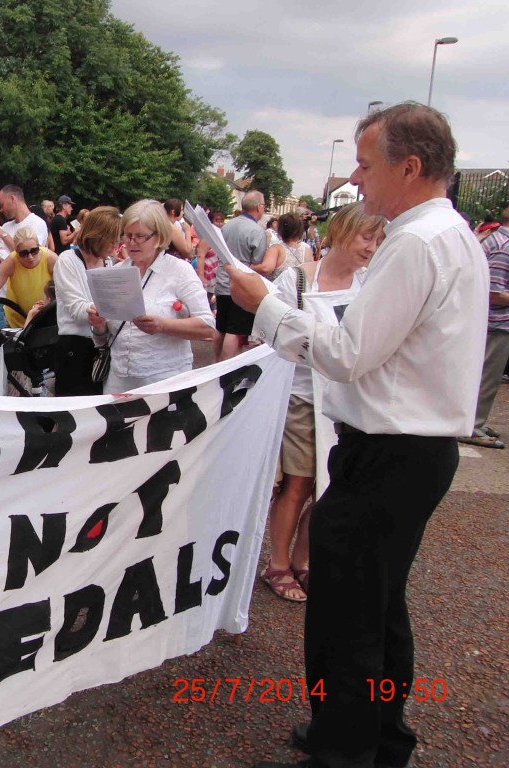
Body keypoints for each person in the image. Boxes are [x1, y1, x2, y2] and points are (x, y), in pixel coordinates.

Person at [230, 103, 488, 768]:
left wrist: (268, 308)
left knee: (349, 614)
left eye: (366, 163)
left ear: (410, 167)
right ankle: (379, 736)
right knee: (377, 607)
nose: (355, 175)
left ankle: (345, 748)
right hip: (409, 450)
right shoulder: (448, 234)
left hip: (389, 451)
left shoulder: (417, 241)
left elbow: (347, 353)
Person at [260, 203, 385, 603]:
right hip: (302, 399)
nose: (372, 246)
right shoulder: (296, 281)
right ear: (343, 232)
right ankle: (277, 564)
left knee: (329, 487)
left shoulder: (372, 283)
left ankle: (304, 560)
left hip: (349, 402)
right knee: (297, 483)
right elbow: (268, 336)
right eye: (367, 237)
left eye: (378, 239)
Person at [87, 200, 214, 393]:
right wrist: (98, 324)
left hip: (164, 380)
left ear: (159, 236)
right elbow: (103, 339)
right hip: (119, 380)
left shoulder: (179, 271)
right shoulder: (115, 272)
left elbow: (208, 327)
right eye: (127, 235)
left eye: (140, 236)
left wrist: (163, 326)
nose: (131, 242)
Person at [53, 205, 122, 396]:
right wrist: (105, 309)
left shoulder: (108, 263)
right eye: (112, 241)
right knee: (72, 415)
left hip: (102, 346)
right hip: (74, 348)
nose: (115, 247)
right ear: (99, 236)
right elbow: (76, 309)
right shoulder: (67, 260)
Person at [459, 205, 509, 449]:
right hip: (496, 322)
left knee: (487, 375)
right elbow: (494, 293)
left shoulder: (497, 239)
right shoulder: (503, 246)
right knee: (487, 376)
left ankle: (475, 421)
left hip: (493, 322)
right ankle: (472, 425)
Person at [214, 190, 267, 361]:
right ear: (259, 207)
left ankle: (215, 363)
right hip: (242, 285)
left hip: (222, 281)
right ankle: (227, 369)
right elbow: (257, 262)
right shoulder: (256, 231)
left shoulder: (227, 226)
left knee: (221, 327)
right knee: (235, 331)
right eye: (264, 205)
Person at [0, 227, 58, 328]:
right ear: (16, 251)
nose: (30, 257)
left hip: (45, 319)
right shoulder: (11, 262)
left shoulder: (50, 258)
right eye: (24, 253)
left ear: (39, 246)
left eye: (34, 251)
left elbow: (64, 287)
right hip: (17, 321)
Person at [0, 185, 52, 253]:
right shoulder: (5, 226)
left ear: (12, 199)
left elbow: (29, 254)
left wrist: (4, 235)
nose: (1, 210)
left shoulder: (37, 223)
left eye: (2, 205)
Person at [253, 212, 311, 281]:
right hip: (300, 290)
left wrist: (251, 267)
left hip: (280, 290)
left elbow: (266, 268)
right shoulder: (307, 250)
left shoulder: (276, 249)